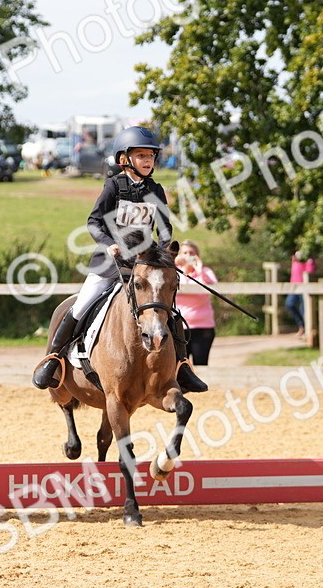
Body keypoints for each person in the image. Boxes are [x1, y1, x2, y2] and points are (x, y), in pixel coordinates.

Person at [31, 126, 208, 393]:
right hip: (108, 265)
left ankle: (182, 367)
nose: (148, 161)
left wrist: (164, 251)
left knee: (169, 314)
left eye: (150, 156)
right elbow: (93, 222)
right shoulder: (114, 186)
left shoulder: (155, 190)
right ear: (125, 159)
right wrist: (109, 244)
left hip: (143, 268)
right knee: (80, 307)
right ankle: (53, 360)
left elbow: (165, 226)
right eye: (141, 155)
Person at [174, 241, 217, 365]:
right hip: (179, 327)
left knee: (201, 364)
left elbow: (213, 288)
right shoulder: (174, 272)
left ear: (197, 255)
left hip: (203, 327)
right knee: (180, 366)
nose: (188, 256)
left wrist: (199, 270)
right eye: (185, 253)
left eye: (191, 253)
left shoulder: (206, 271)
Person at [285, 250, 315, 339]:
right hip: (294, 287)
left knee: (304, 309)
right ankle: (301, 325)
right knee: (289, 304)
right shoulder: (294, 259)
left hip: (304, 288)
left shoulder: (308, 260)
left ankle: (305, 329)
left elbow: (310, 271)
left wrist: (309, 262)